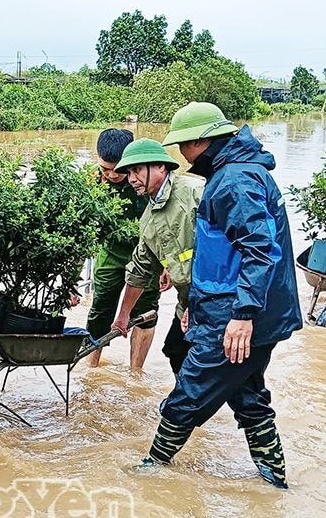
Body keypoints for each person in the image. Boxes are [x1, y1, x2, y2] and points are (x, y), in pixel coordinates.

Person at [140, 102, 302, 490]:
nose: (180, 154)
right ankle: (274, 483)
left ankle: (151, 471)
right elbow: (220, 256)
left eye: (182, 145)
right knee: (247, 394)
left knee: (190, 391)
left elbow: (259, 251)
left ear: (200, 141)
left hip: (238, 317)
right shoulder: (241, 171)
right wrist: (194, 305)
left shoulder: (234, 181)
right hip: (235, 310)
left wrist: (243, 315)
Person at [110, 138, 203, 374]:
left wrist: (202, 302)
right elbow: (140, 269)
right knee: (176, 351)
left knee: (225, 374)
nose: (131, 179)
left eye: (137, 170)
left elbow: (225, 250)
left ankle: (185, 408)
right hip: (189, 303)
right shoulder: (149, 217)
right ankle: (187, 407)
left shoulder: (195, 193)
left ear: (161, 167)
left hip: (215, 300)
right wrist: (123, 316)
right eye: (129, 172)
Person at [85, 129, 163, 369]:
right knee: (100, 309)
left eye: (116, 169)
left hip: (148, 254)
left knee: (146, 312)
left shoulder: (146, 181)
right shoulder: (92, 180)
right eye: (104, 168)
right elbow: (82, 227)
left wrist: (167, 264)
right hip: (111, 254)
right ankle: (91, 370)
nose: (109, 175)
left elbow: (165, 223)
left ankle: (135, 374)